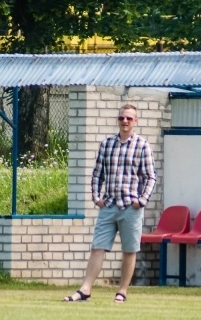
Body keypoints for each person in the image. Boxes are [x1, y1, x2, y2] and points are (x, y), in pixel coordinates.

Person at [64, 104, 157, 303]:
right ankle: (85, 290)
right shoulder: (107, 144)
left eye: (129, 119)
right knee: (98, 246)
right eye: (122, 118)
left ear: (135, 121)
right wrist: (97, 198)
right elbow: (97, 174)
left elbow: (150, 177)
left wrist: (141, 201)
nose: (125, 121)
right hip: (109, 205)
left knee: (129, 250)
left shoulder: (142, 146)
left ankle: (122, 291)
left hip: (131, 207)